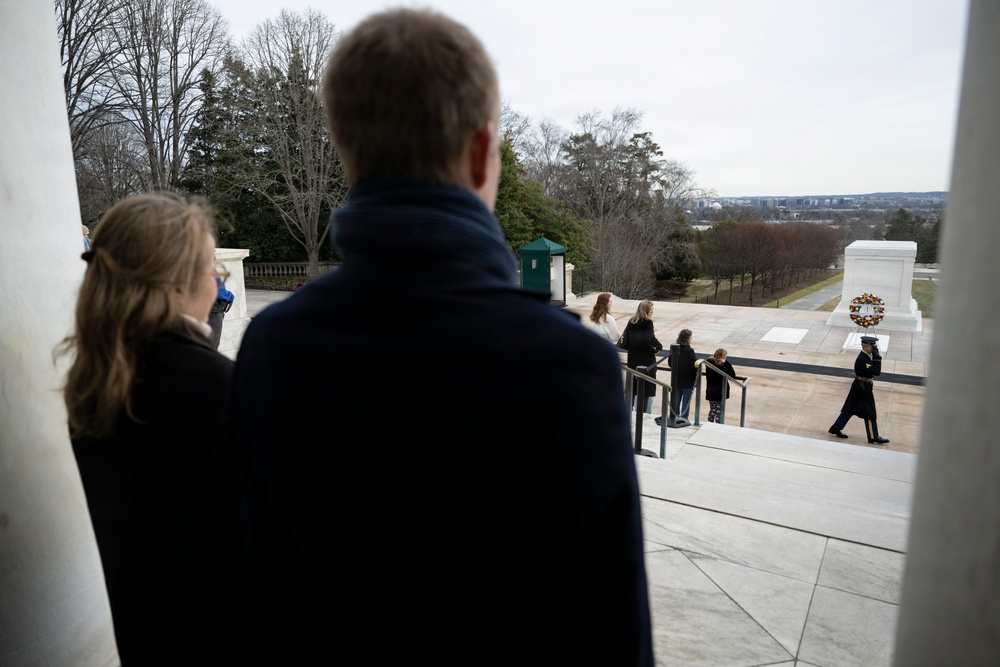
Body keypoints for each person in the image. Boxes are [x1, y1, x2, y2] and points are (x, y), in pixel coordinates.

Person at [225, 9, 653, 666]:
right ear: (484, 151)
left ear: (347, 151)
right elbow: (609, 636)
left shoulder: (272, 349)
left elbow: (266, 607)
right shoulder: (573, 367)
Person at [58, 193, 266, 666]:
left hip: (147, 638)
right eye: (213, 271)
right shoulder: (216, 388)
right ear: (174, 286)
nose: (219, 284)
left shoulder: (94, 383)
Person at [828, 335, 890, 444]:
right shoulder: (863, 359)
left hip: (861, 386)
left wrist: (875, 356)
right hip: (862, 387)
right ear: (866, 347)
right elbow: (876, 372)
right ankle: (873, 436)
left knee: (850, 409)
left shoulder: (866, 357)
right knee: (869, 413)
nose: (874, 349)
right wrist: (877, 358)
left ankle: (836, 428)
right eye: (873, 347)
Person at [622, 300, 663, 414]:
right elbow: (649, 337)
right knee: (646, 387)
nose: (652, 312)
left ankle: (629, 411)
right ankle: (643, 412)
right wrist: (659, 346)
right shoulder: (647, 323)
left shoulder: (632, 321)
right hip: (646, 359)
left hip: (633, 358)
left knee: (632, 385)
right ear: (645, 310)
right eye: (651, 310)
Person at [704, 348, 737, 424]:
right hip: (720, 390)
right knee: (719, 410)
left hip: (711, 390)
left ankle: (709, 423)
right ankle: (718, 425)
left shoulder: (709, 363)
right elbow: (732, 375)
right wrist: (726, 363)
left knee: (713, 409)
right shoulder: (722, 366)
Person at [671, 328, 698, 421]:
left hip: (676, 380)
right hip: (688, 381)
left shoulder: (674, 348)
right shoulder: (689, 351)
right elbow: (694, 366)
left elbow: (670, 363)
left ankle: (674, 417)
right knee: (686, 403)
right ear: (687, 339)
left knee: (676, 401)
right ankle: (683, 419)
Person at [207, 272, 235, 350]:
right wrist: (230, 296)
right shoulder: (205, 265)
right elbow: (220, 292)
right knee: (211, 345)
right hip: (212, 310)